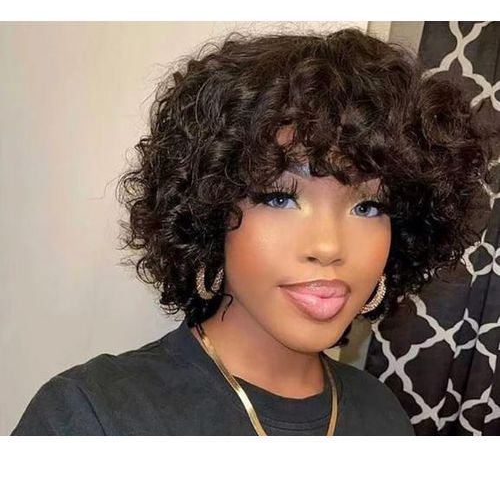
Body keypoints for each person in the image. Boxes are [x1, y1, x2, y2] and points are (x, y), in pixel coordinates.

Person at [11, 27, 491, 436]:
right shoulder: (92, 418)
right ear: (210, 211)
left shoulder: (383, 418)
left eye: (368, 206)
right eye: (279, 198)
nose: (328, 246)